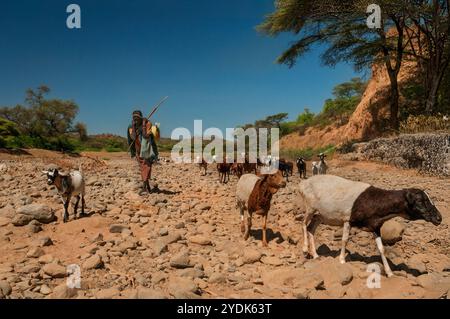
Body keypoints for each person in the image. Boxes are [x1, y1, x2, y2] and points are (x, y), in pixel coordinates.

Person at [127, 110, 159, 194]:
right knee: (143, 168)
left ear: (141, 118)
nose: (136, 120)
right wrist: (132, 152)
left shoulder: (148, 123)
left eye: (137, 118)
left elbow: (147, 136)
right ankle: (147, 186)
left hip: (147, 150)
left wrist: (143, 127)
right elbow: (131, 138)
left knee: (146, 167)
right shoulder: (131, 126)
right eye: (134, 118)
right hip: (138, 150)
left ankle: (145, 187)